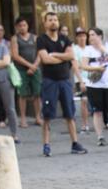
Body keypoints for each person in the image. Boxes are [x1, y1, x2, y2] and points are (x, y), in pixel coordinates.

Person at [34, 12, 85, 157]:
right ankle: (46, 144)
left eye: (55, 20)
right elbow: (45, 59)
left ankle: (75, 143)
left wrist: (55, 55)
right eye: (50, 20)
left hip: (64, 80)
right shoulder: (41, 40)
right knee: (48, 114)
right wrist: (63, 57)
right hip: (49, 81)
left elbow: (71, 56)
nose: (53, 22)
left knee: (69, 113)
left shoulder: (64, 39)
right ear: (45, 23)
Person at [81, 28, 108, 146]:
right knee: (97, 112)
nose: (91, 37)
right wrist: (96, 69)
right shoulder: (88, 50)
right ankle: (100, 137)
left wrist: (103, 50)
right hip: (94, 84)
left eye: (93, 35)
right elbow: (83, 66)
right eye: (89, 35)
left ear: (100, 36)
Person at [12, 16, 42, 128]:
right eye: (20, 26)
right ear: (17, 27)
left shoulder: (35, 38)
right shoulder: (15, 39)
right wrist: (29, 65)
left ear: (28, 26)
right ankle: (23, 119)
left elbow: (40, 53)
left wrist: (34, 66)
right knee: (22, 94)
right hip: (21, 69)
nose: (22, 28)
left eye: (24, 25)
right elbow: (15, 55)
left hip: (35, 68)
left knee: (37, 93)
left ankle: (38, 117)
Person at [71, 28, 91, 134]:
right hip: (80, 79)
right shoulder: (74, 49)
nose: (82, 38)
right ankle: (85, 124)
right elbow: (75, 66)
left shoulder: (90, 48)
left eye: (83, 36)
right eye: (79, 36)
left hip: (92, 79)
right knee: (84, 100)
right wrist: (80, 81)